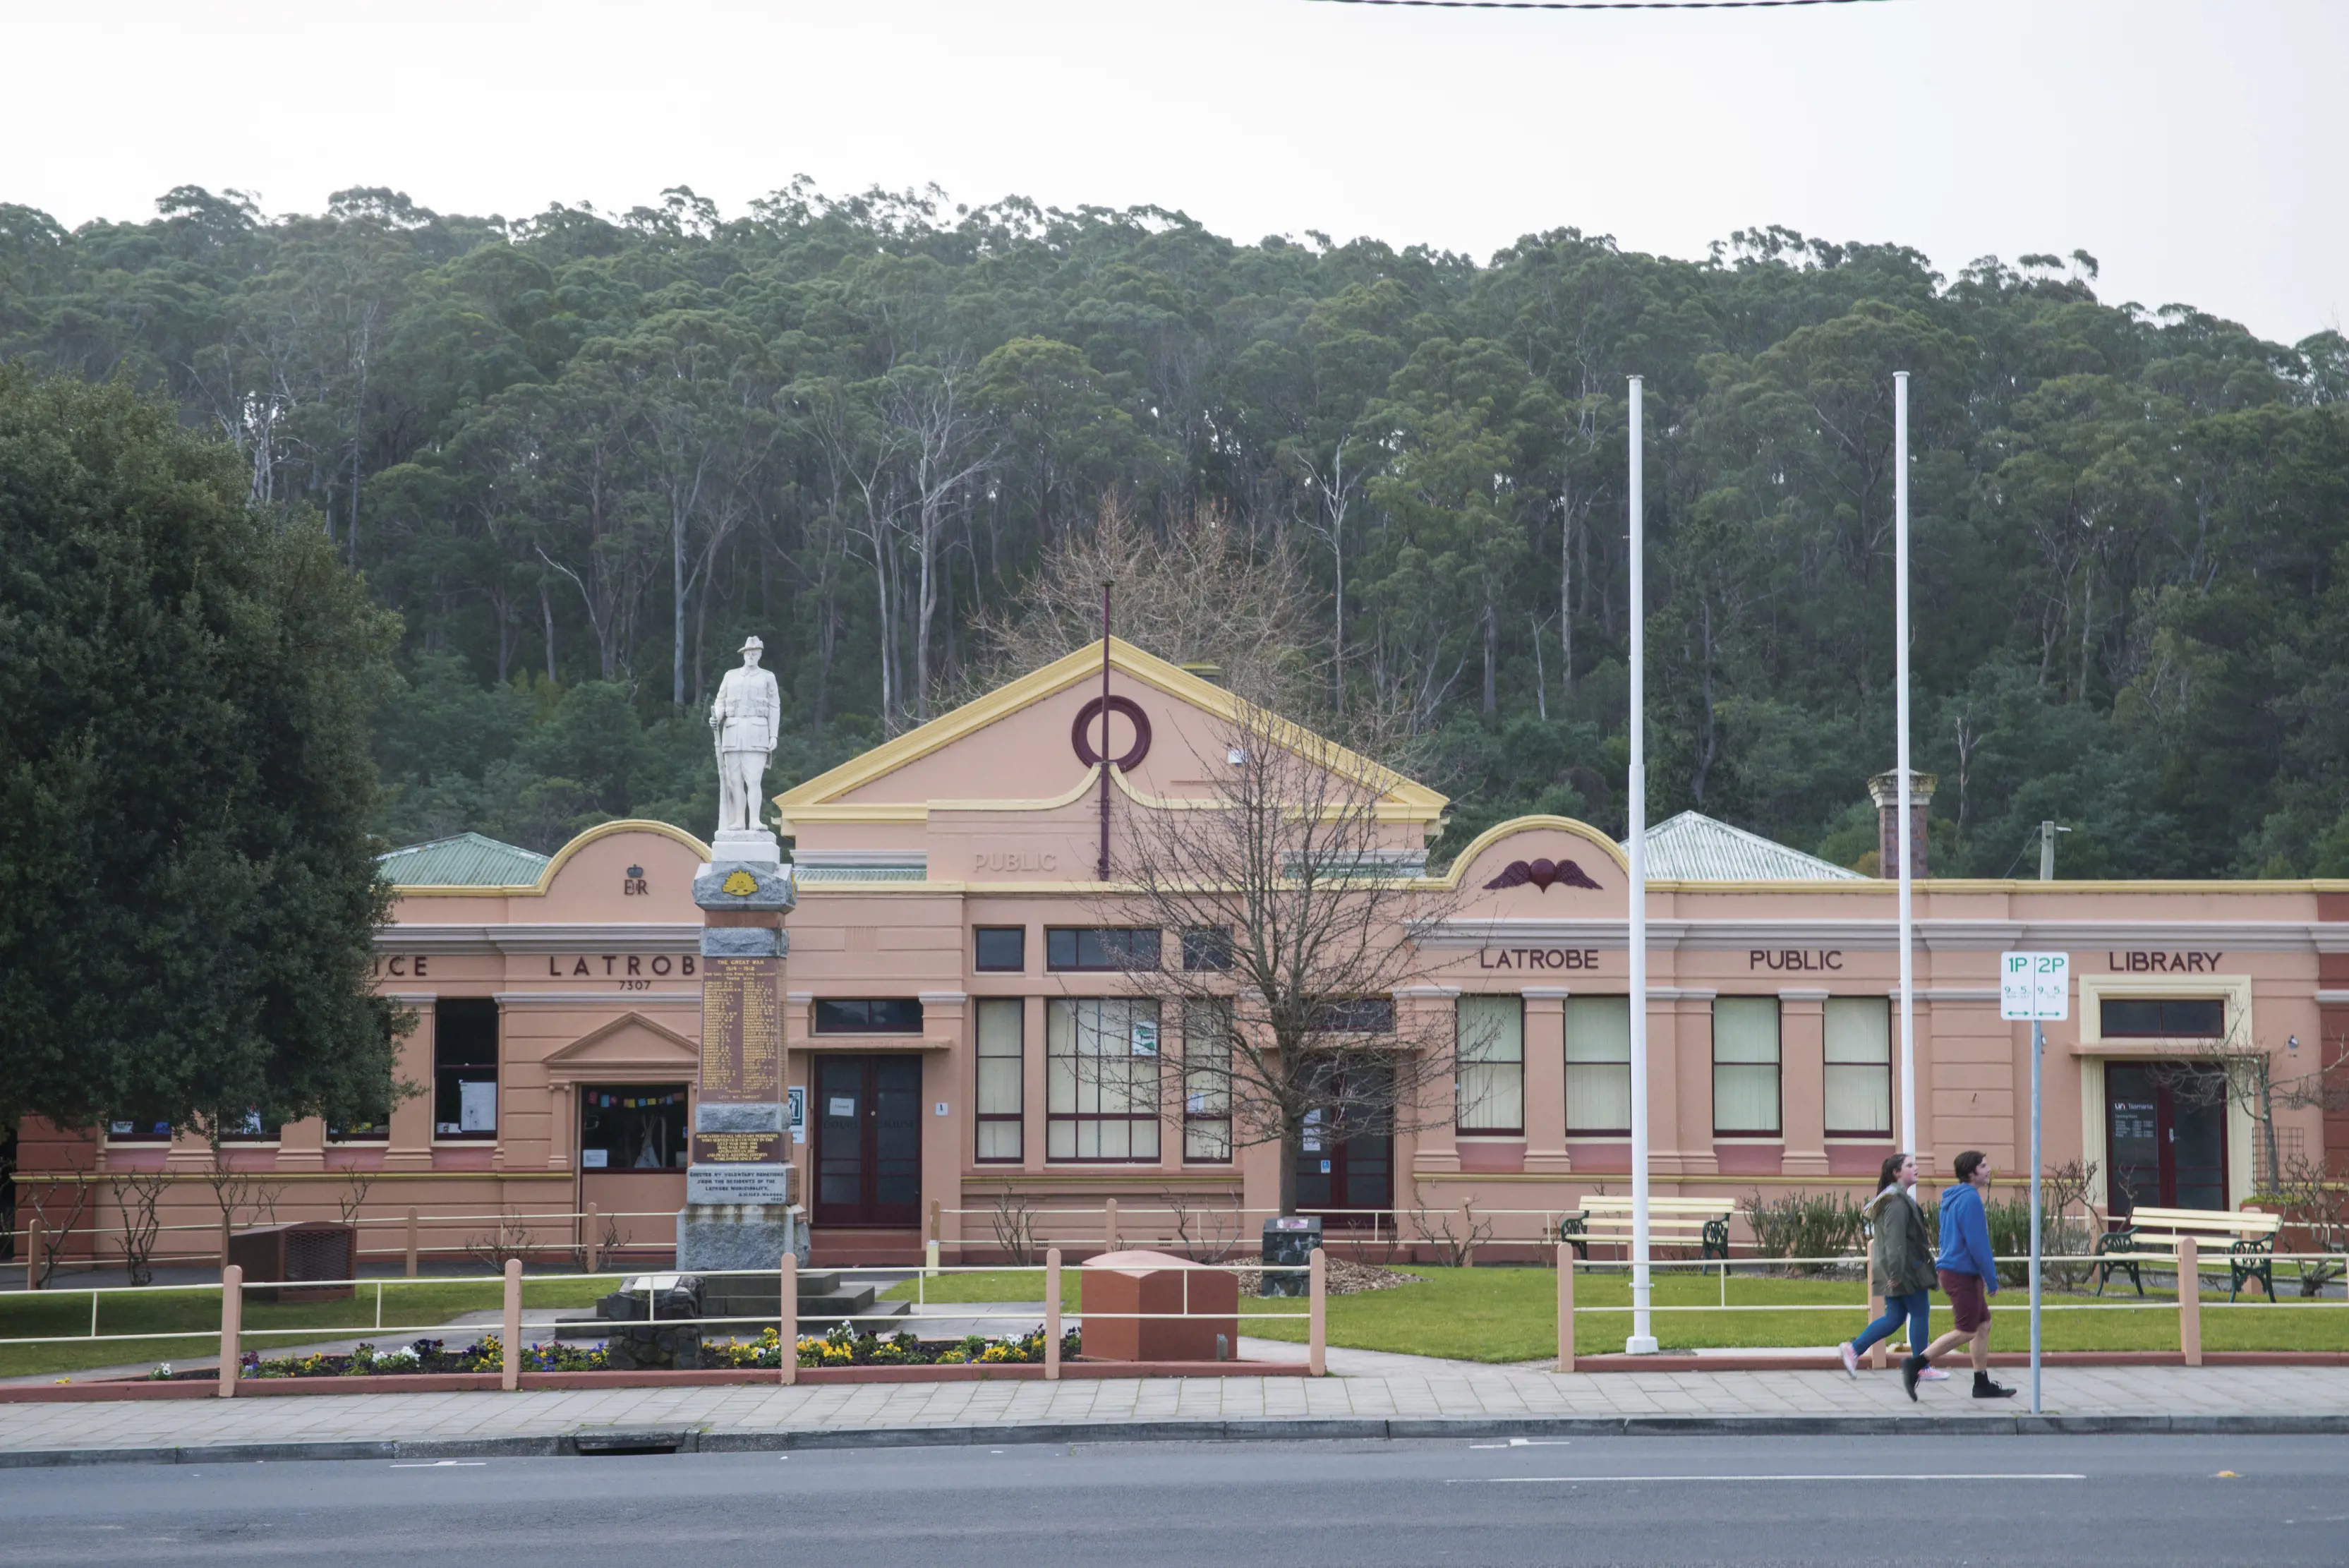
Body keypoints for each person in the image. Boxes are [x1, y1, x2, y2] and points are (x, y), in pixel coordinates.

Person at [1904, 1149, 2016, 1400]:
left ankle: (1981, 1383)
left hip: (1956, 1269)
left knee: (1983, 1324)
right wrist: (1992, 1278)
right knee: (1966, 1330)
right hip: (1961, 1272)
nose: (1988, 1170)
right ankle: (1915, 1364)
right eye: (1984, 1166)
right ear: (1971, 1172)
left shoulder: (1953, 1198)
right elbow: (1978, 1244)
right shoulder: (1971, 1200)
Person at [1839, 1152, 1946, 1381]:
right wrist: (1896, 1273)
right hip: (1907, 1270)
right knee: (1919, 1313)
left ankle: (1854, 1349)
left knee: (1895, 1317)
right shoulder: (1897, 1202)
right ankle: (1921, 1366)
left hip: (1900, 1269)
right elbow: (1895, 1240)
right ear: (1896, 1173)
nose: (1916, 1168)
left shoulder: (1895, 1198)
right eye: (1910, 1165)